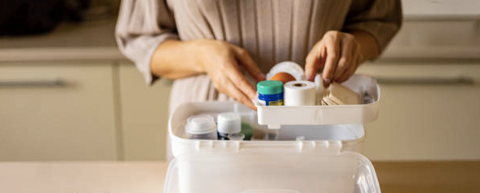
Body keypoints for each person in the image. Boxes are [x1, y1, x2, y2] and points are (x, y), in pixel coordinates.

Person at [116, 0, 401, 112]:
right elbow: (139, 38)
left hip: (318, 125)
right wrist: (204, 56)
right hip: (206, 130)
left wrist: (351, 47)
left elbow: (379, 20)